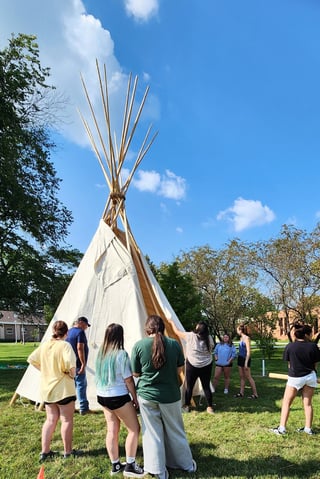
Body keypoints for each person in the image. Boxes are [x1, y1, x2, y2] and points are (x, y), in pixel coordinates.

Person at [131, 315, 197, 479]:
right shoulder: (174, 344)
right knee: (175, 430)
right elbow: (180, 368)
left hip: (147, 395)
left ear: (148, 329)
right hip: (170, 395)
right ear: (162, 328)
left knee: (152, 433)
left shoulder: (139, 345)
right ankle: (185, 464)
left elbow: (136, 373)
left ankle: (158, 470)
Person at [95, 323, 144, 477]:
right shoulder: (121, 354)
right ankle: (130, 464)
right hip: (118, 396)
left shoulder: (101, 353)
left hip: (103, 396)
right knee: (134, 429)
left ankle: (115, 464)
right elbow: (128, 380)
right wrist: (134, 398)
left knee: (112, 429)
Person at [27, 320, 78, 461]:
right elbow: (71, 366)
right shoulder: (65, 346)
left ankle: (45, 451)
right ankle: (68, 452)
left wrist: (45, 370)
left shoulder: (45, 346)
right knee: (66, 420)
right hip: (63, 389)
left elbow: (31, 359)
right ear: (66, 333)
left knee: (50, 420)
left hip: (47, 389)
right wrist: (72, 374)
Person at [270, 324, 320, 435]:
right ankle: (308, 429)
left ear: (295, 334)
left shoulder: (290, 346)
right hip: (310, 376)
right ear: (306, 334)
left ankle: (282, 429)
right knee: (307, 404)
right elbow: (315, 364)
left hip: (295, 377)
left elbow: (289, 365)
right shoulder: (313, 346)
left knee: (286, 403)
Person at [168, 318, 214, 413]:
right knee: (206, 386)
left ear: (198, 329)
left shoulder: (191, 336)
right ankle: (210, 407)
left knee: (189, 386)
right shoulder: (209, 338)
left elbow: (177, 332)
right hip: (206, 365)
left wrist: (171, 322)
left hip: (192, 365)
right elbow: (211, 349)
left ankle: (187, 405)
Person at [66, 316, 90, 414]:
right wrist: (83, 364)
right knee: (81, 385)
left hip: (69, 364)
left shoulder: (68, 332)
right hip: (78, 364)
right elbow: (80, 348)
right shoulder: (80, 332)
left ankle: (70, 406)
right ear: (81, 323)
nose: (86, 328)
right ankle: (83, 408)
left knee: (71, 387)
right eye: (85, 325)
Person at [234, 324, 258, 399]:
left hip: (246, 359)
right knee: (242, 377)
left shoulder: (247, 338)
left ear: (240, 330)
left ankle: (255, 394)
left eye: (237, 329)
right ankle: (241, 393)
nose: (237, 331)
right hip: (240, 358)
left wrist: (246, 363)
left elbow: (248, 352)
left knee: (248, 377)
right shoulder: (241, 338)